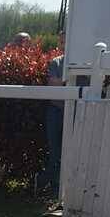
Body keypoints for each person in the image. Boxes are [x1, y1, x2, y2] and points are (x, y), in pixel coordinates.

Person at [40, 35, 66, 200]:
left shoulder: (87, 64)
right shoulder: (56, 62)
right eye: (62, 41)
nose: (64, 44)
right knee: (55, 152)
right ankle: (49, 186)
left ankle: (48, 184)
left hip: (77, 113)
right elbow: (54, 87)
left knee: (68, 152)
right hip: (56, 111)